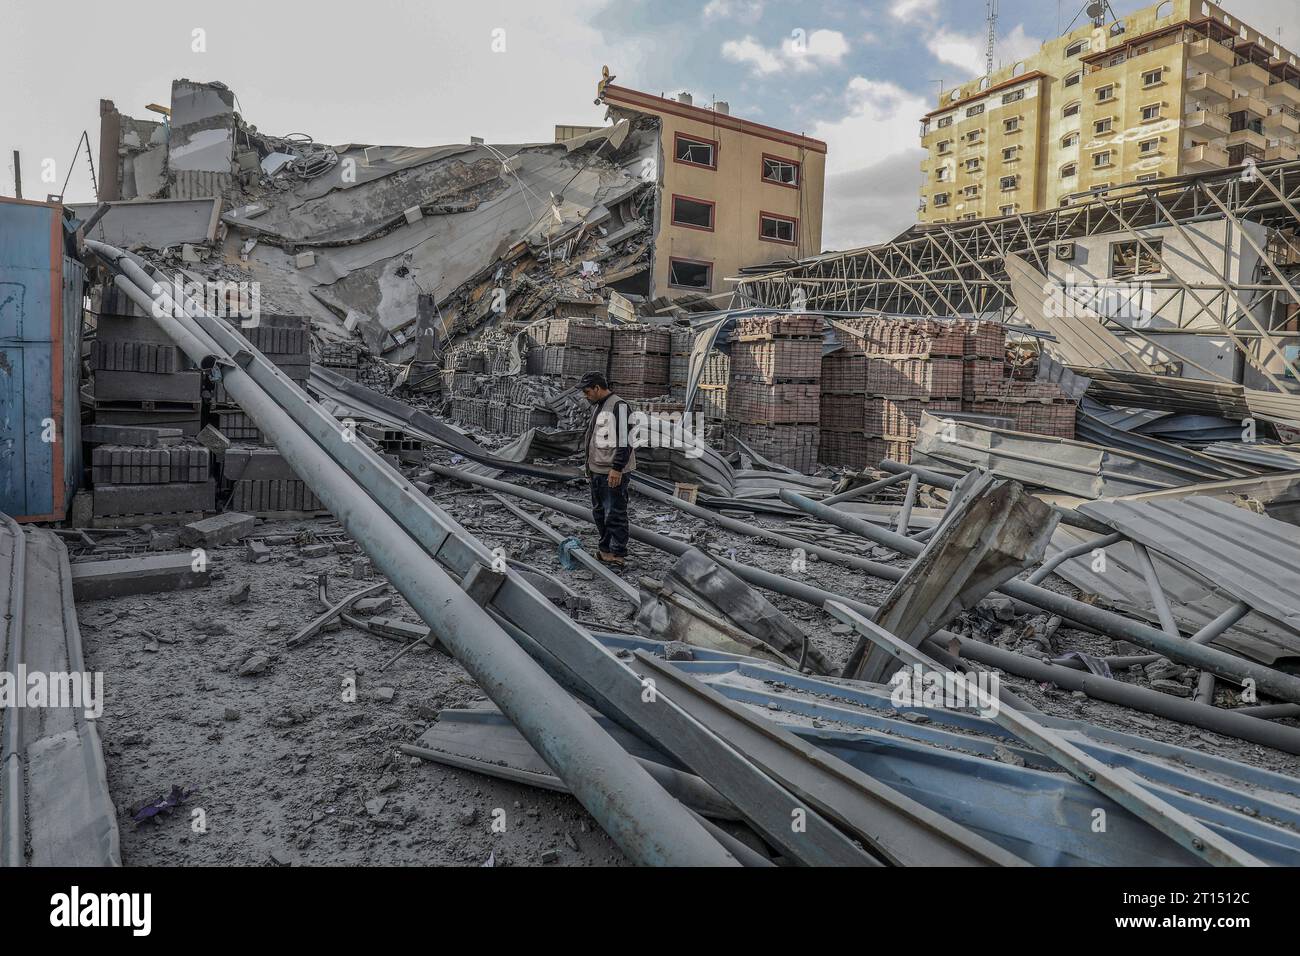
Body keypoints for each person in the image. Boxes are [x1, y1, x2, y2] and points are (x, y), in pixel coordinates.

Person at [578, 371, 635, 566]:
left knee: (615, 513)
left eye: (587, 391)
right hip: (597, 471)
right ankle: (605, 550)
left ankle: (618, 554)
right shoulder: (599, 406)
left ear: (597, 387)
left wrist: (617, 468)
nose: (586, 396)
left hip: (612, 472)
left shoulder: (618, 406)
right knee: (600, 512)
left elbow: (626, 440)